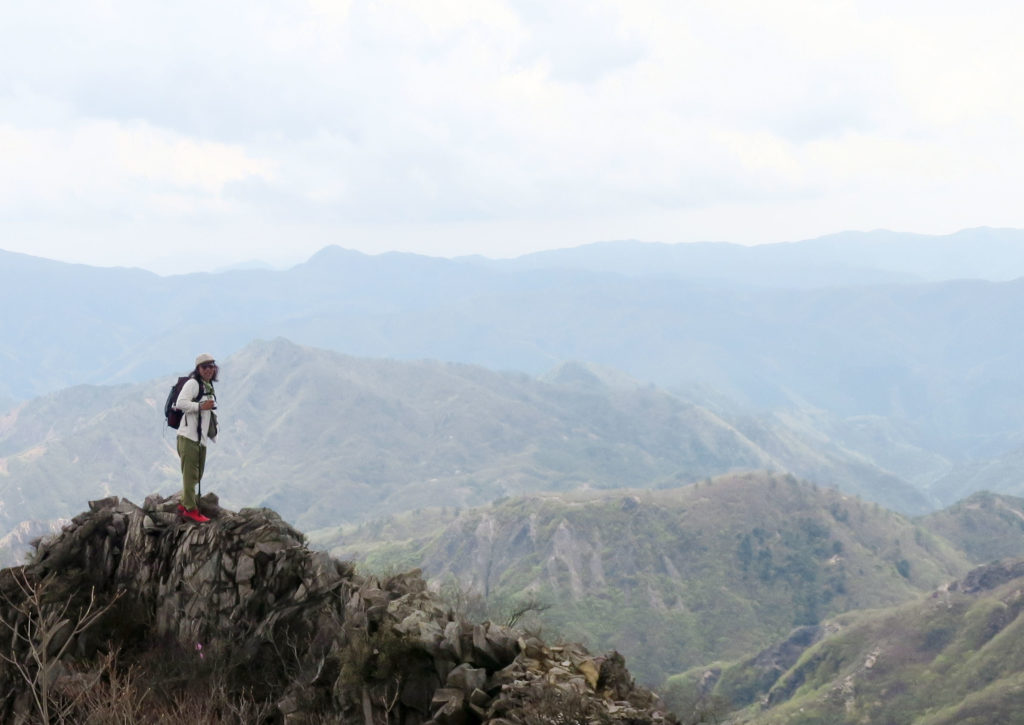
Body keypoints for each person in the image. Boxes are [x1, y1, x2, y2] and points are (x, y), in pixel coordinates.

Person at [176, 353, 219, 523]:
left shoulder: (207, 386)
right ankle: (190, 509)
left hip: (200, 438)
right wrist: (201, 406)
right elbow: (180, 403)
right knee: (190, 474)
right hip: (188, 437)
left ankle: (184, 503)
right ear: (198, 369)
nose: (208, 369)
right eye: (205, 367)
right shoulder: (193, 384)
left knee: (197, 474)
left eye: (211, 366)